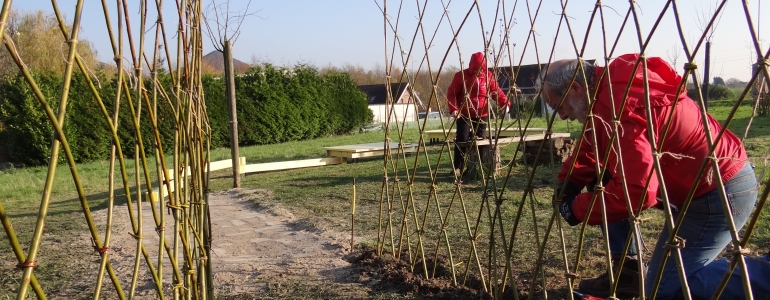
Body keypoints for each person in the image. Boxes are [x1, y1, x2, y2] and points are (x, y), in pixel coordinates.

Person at [539, 53, 770, 299]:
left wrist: (577, 209)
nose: (562, 116)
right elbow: (593, 140)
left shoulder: (623, 104)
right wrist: (569, 181)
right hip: (702, 187)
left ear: (574, 88)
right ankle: (629, 269)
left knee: (666, 291)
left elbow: (638, 192)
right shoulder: (606, 90)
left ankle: (764, 273)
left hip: (719, 194)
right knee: (602, 179)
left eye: (559, 106)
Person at [447, 52, 509, 178]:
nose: (477, 71)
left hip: (482, 113)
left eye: (480, 69)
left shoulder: (488, 76)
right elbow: (451, 93)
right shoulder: (461, 76)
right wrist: (454, 109)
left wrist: (504, 103)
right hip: (464, 114)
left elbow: (495, 91)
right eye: (475, 68)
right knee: (462, 140)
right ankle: (458, 167)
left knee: (480, 140)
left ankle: (478, 167)